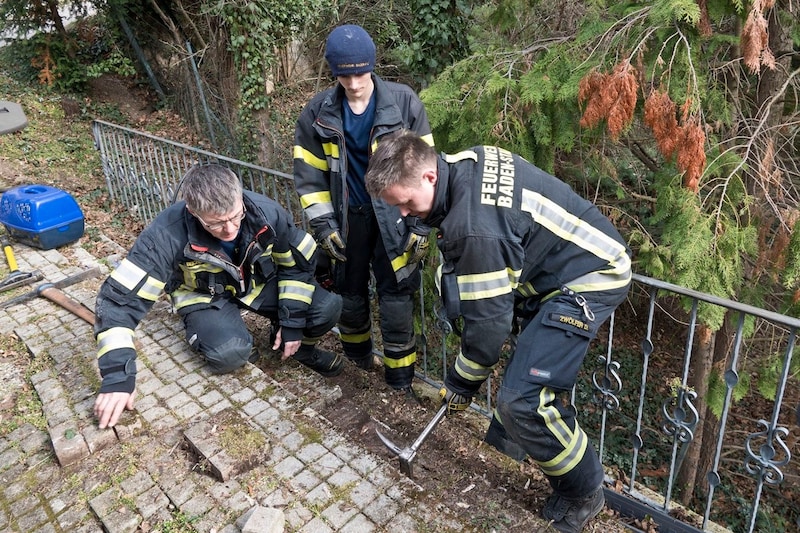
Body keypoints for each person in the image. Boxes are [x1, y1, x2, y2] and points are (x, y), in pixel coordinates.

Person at [364, 130, 632, 533]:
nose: (403, 213)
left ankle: (584, 490)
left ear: (429, 178)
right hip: (553, 268)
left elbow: (489, 331)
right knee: (523, 377)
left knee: (523, 399)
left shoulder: (475, 228)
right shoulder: (464, 164)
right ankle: (508, 445)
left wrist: (459, 385)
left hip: (591, 275)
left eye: (404, 202)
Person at [93, 163, 343, 429]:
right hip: (203, 294)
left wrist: (292, 322)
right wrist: (118, 378)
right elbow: (117, 303)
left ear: (240, 197)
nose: (230, 229)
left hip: (255, 284)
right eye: (216, 223)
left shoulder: (266, 211)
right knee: (229, 355)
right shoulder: (165, 234)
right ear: (193, 211)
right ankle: (219, 333)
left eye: (236, 216)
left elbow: (297, 265)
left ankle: (299, 349)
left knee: (327, 307)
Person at [292, 24, 435, 396]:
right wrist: (323, 224)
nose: (353, 82)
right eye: (344, 74)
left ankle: (400, 382)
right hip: (347, 218)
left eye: (359, 72)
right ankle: (357, 367)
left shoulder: (404, 104)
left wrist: (421, 225)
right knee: (350, 295)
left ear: (372, 66)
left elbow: (426, 173)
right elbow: (309, 177)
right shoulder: (316, 113)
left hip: (396, 215)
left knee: (397, 297)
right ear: (333, 71)